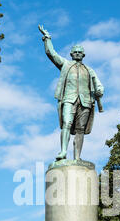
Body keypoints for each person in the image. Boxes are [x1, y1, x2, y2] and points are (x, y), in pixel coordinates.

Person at [39, 25, 104, 161]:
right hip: (69, 99)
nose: (77, 54)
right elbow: (52, 54)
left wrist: (99, 90)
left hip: (85, 101)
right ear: (71, 54)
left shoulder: (89, 70)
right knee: (66, 124)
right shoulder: (66, 65)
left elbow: (98, 84)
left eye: (80, 52)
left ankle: (77, 157)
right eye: (75, 52)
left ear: (83, 55)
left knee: (80, 130)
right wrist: (47, 39)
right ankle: (63, 151)